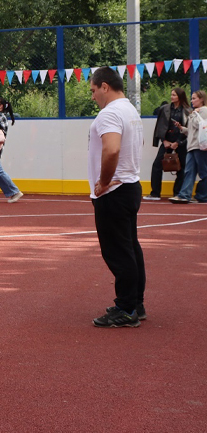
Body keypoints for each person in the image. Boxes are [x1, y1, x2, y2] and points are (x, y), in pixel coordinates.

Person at [88, 67, 146, 328]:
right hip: (130, 186)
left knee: (118, 251)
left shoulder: (109, 113)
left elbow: (111, 150)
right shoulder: (130, 110)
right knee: (130, 247)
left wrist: (103, 181)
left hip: (115, 191)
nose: (92, 96)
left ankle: (126, 309)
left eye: (92, 90)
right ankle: (135, 303)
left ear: (104, 86)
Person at [147, 88, 192, 200]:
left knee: (182, 167)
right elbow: (160, 126)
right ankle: (155, 193)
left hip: (180, 141)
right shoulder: (164, 109)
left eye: (174, 95)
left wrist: (178, 142)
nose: (172, 97)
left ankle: (177, 193)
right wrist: (164, 140)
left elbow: (189, 129)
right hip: (167, 140)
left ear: (180, 97)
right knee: (157, 165)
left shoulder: (187, 110)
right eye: (171, 94)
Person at [169, 90, 207, 204]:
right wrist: (182, 128)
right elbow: (191, 131)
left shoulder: (203, 110)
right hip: (192, 146)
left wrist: (194, 114)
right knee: (189, 171)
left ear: (201, 99)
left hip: (199, 146)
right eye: (192, 98)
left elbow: (200, 125)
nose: (192, 101)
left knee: (203, 172)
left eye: (194, 98)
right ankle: (184, 195)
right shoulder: (195, 112)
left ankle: (202, 195)